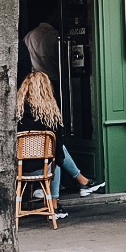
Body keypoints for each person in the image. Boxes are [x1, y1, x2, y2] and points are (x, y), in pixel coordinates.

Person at [17, 70, 102, 211]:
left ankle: (81, 183)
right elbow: (57, 152)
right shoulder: (48, 117)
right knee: (56, 155)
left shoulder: (17, 114)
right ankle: (57, 203)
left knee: (56, 154)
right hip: (44, 168)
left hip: (18, 168)